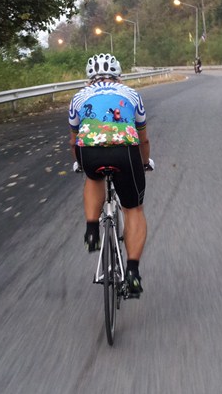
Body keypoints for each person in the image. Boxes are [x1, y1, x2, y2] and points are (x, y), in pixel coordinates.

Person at [68, 53, 153, 298]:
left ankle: (92, 230)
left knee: (92, 177)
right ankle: (133, 273)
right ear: (118, 76)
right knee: (133, 209)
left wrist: (81, 163)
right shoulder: (132, 95)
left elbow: (74, 141)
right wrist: (144, 163)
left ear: (89, 78)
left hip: (90, 152)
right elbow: (143, 138)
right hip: (125, 152)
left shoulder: (78, 98)